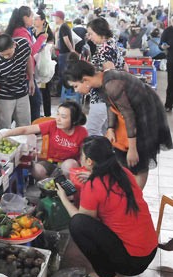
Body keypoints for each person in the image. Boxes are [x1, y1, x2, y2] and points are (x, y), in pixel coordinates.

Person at [56, 136, 157, 277]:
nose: (80, 159)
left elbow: (81, 220)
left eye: (81, 156)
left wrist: (63, 198)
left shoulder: (93, 186)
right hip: (149, 251)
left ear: (89, 161)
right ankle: (113, 266)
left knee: (77, 225)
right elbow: (109, 192)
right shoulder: (124, 173)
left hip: (132, 263)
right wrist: (93, 178)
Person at [65, 57, 172, 189]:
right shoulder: (100, 82)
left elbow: (129, 115)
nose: (76, 90)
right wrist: (110, 128)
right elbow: (110, 105)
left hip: (143, 114)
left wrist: (133, 149)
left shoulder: (112, 83)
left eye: (76, 86)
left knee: (138, 161)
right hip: (128, 115)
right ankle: (125, 190)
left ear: (86, 80)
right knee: (120, 150)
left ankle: (136, 198)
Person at [0, 101, 88, 180]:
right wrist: (2, 135)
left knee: (69, 165)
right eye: (57, 114)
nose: (58, 119)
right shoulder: (52, 125)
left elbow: (84, 155)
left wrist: (85, 171)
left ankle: (66, 189)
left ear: (74, 120)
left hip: (68, 164)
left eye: (63, 117)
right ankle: (51, 188)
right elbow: (26, 129)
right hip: (50, 162)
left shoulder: (82, 132)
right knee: (36, 170)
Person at [85, 18, 126, 136]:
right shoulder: (112, 43)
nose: (89, 37)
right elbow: (125, 67)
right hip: (111, 99)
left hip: (102, 98)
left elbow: (111, 74)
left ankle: (94, 154)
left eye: (91, 34)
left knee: (92, 131)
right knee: (107, 131)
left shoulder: (104, 50)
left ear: (100, 33)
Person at [5, 6, 45, 122]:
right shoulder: (21, 32)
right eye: (31, 16)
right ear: (24, 17)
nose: (33, 19)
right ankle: (34, 128)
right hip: (24, 74)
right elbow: (30, 52)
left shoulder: (19, 30)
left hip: (21, 73)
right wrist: (41, 39)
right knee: (35, 101)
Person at [0, 34, 33, 129]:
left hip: (22, 92)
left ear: (14, 45)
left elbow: (28, 58)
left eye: (9, 54)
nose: (6, 57)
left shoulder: (23, 45)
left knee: (25, 125)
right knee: (4, 128)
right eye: (3, 55)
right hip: (4, 97)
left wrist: (31, 79)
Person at [33, 11, 55, 117]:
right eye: (34, 18)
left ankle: (47, 115)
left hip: (44, 66)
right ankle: (38, 114)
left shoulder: (47, 34)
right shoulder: (32, 32)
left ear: (43, 21)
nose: (34, 21)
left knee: (45, 91)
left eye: (37, 19)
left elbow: (50, 50)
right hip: (33, 65)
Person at [52, 11, 75, 96]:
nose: (54, 19)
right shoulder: (62, 27)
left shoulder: (64, 27)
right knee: (63, 73)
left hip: (65, 54)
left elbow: (66, 39)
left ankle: (60, 92)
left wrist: (72, 50)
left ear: (59, 18)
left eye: (55, 17)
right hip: (64, 53)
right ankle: (62, 91)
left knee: (63, 73)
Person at [160, 16, 173, 112]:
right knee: (171, 83)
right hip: (171, 60)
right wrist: (163, 46)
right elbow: (161, 44)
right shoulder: (167, 31)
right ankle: (168, 104)